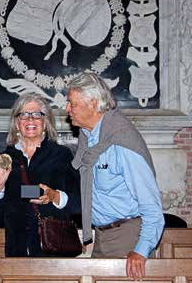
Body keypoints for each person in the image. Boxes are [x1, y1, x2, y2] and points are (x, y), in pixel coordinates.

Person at [66, 72, 164, 279]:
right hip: (103, 237)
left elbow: (151, 206)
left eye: (72, 104)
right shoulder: (90, 139)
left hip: (127, 238)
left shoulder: (122, 141)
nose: (67, 110)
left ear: (92, 104)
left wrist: (141, 250)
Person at [0, 93, 80, 257]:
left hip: (53, 250)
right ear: (16, 123)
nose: (30, 120)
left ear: (45, 123)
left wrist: (54, 196)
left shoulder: (61, 155)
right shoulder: (4, 160)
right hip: (17, 250)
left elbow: (80, 201)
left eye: (37, 114)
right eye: (23, 114)